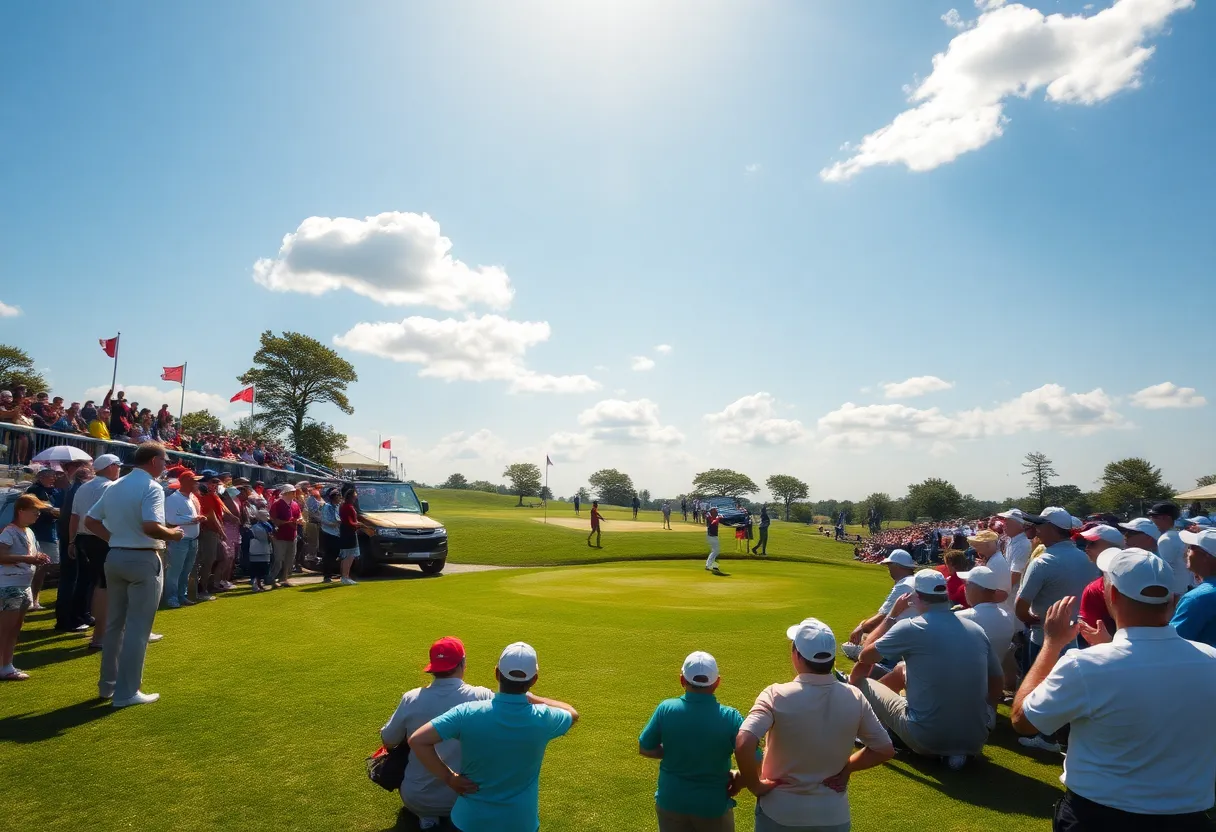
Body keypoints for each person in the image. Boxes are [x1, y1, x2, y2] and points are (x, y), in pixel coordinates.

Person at [1012, 549, 1216, 830]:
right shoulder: (1210, 659)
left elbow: (1023, 721)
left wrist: (1051, 644)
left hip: (1098, 817)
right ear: (1171, 599)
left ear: (1113, 595)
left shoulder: (1084, 666)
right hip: (1188, 819)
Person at [738, 619, 893, 832]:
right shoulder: (854, 697)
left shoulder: (775, 695)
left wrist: (755, 785)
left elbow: (744, 742)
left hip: (779, 813)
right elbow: (884, 749)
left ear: (796, 655)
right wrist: (847, 767)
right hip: (833, 817)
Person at [408, 642, 579, 832]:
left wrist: (449, 778)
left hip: (469, 821)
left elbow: (418, 740)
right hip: (521, 823)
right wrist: (530, 697)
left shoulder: (467, 712)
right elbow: (572, 713)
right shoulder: (544, 717)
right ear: (534, 679)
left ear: (497, 673)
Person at [850, 569, 1005, 770]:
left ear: (916, 597)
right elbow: (996, 678)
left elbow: (865, 655)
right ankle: (953, 751)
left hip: (925, 739)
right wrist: (990, 710)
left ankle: (867, 730)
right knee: (901, 669)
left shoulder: (911, 627)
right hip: (975, 741)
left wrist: (891, 616)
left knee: (861, 681)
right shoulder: (976, 629)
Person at [85, 442, 184, 707]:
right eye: (164, 460)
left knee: (114, 625)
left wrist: (115, 539)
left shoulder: (115, 485)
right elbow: (151, 526)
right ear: (153, 461)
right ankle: (127, 692)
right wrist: (173, 534)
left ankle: (108, 686)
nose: (165, 465)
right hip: (142, 558)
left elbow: (90, 520)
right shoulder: (151, 486)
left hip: (115, 556)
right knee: (138, 629)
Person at [381, 637, 495, 830]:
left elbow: (388, 740)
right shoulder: (482, 696)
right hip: (468, 794)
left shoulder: (411, 698)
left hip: (418, 798)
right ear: (463, 663)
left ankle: (427, 817)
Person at [639, 651, 744, 832]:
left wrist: (675, 750)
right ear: (717, 682)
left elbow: (645, 747)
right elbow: (753, 758)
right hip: (712, 806)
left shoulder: (666, 709)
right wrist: (739, 780)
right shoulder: (730, 717)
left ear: (682, 680)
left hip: (671, 801)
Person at [0, 494, 54, 680]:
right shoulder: (9, 532)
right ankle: (3, 665)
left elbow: (31, 553)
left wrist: (39, 557)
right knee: (5, 629)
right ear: (21, 511)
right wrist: (28, 559)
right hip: (10, 585)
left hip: (24, 585)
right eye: (34, 511)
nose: (37, 515)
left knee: (15, 629)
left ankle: (7, 665)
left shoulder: (29, 531)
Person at [71, 453, 121, 650]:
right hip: (102, 538)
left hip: (83, 539)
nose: (119, 469)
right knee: (105, 586)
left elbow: (74, 517)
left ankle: (97, 629)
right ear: (110, 467)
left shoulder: (83, 487)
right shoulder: (111, 487)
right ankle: (100, 635)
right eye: (117, 465)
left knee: (95, 584)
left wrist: (72, 541)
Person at [840, 549, 917, 661]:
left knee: (864, 648)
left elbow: (882, 618)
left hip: (905, 641)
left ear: (896, 566)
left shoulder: (904, 585)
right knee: (869, 636)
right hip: (915, 635)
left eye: (890, 566)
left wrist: (860, 628)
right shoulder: (915, 581)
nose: (889, 569)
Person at [54, 463, 92, 631]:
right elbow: (74, 518)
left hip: (69, 538)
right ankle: (68, 620)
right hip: (73, 539)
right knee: (72, 580)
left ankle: (76, 616)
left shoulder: (73, 489)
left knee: (72, 579)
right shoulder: (79, 490)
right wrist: (73, 541)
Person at [956, 566, 1016, 669]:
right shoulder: (1008, 618)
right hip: (995, 675)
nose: (964, 589)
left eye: (966, 584)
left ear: (975, 589)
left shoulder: (961, 618)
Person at [1076, 524, 1124, 643]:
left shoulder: (1094, 588)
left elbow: (1090, 633)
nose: (1087, 548)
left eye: (1093, 543)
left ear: (1111, 547)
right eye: (1086, 543)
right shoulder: (1140, 576)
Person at [1170, 529, 1216, 647]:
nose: (1187, 552)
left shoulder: (1198, 598)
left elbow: (1173, 643)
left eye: (1191, 547)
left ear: (1205, 556)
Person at [162, 470, 201, 609]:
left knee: (186, 571)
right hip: (180, 540)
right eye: (194, 481)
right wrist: (193, 519)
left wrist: (194, 519)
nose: (197, 484)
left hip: (192, 539)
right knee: (175, 570)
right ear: (185, 482)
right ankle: (171, 598)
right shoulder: (173, 498)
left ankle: (181, 595)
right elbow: (171, 519)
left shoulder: (191, 497)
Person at [27, 466, 63, 610]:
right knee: (38, 567)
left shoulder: (54, 491)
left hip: (50, 533)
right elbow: (48, 510)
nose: (53, 478)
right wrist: (57, 511)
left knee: (43, 567)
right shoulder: (35, 490)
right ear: (40, 477)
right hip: (38, 534)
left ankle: (34, 600)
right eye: (50, 475)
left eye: (54, 475)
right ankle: (31, 601)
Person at [1148, 502, 1190, 596]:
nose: (1151, 519)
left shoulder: (1166, 539)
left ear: (1166, 518)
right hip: (1182, 587)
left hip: (1173, 591)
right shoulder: (1178, 535)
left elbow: (1164, 569)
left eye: (1154, 516)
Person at [269, 483, 300, 587]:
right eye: (292, 492)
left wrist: (300, 520)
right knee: (278, 559)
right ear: (286, 493)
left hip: (292, 535)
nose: (294, 493)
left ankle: (284, 579)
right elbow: (273, 519)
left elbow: (299, 516)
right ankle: (272, 579)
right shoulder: (277, 504)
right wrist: (287, 522)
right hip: (280, 536)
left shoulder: (295, 504)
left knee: (289, 559)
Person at [247, 509, 274, 591]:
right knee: (256, 569)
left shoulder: (267, 526)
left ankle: (260, 584)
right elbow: (265, 538)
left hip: (265, 551)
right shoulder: (256, 527)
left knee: (263, 569)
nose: (267, 517)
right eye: (266, 515)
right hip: (257, 551)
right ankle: (255, 585)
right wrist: (270, 537)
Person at [319, 487, 342, 583]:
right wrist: (334, 523)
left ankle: (331, 572)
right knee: (328, 554)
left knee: (335, 553)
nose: (340, 498)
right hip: (328, 533)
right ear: (333, 497)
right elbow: (324, 520)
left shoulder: (338, 506)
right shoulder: (327, 506)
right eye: (338, 496)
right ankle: (326, 575)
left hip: (336, 533)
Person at [338, 488, 359, 585]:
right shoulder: (348, 507)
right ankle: (345, 576)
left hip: (345, 532)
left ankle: (344, 576)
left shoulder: (344, 506)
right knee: (349, 555)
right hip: (349, 533)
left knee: (346, 555)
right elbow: (350, 522)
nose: (356, 497)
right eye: (355, 495)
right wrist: (359, 525)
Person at [705, 507, 723, 574]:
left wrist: (719, 517)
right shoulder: (710, 518)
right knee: (715, 551)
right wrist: (718, 518)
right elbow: (713, 522)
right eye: (715, 511)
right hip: (712, 536)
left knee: (716, 551)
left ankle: (711, 565)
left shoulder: (712, 517)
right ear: (712, 512)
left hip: (713, 536)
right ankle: (709, 565)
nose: (716, 512)